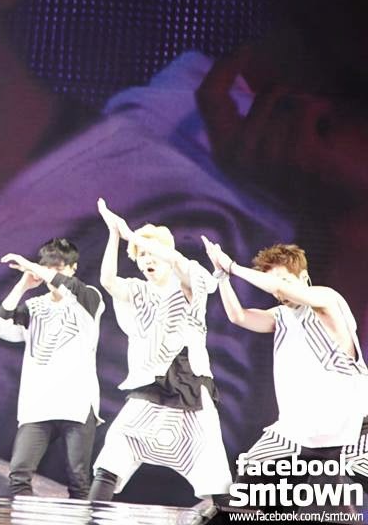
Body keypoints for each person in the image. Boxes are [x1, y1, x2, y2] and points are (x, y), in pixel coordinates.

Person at [202, 239, 368, 507]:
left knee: (337, 500)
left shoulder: (327, 298)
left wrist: (232, 266)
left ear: (303, 278)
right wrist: (222, 275)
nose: (278, 290)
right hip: (297, 433)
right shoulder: (281, 316)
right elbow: (239, 317)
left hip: (353, 429)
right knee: (247, 490)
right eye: (273, 282)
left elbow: (278, 287)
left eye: (284, 280)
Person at [88, 199, 232, 502]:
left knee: (213, 469)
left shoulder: (189, 279)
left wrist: (133, 235)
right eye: (141, 255)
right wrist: (115, 233)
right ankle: (92, 517)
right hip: (152, 385)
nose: (147, 260)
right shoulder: (138, 290)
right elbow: (108, 281)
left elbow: (178, 261)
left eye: (152, 253)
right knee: (116, 450)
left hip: (190, 384)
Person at [0, 239, 104, 498]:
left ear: (73, 268)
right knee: (19, 474)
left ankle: (80, 517)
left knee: (78, 479)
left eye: (59, 268)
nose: (51, 274)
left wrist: (32, 265)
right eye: (47, 267)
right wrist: (22, 285)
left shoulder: (89, 298)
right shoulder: (34, 306)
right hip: (38, 404)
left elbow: (69, 287)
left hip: (77, 404)